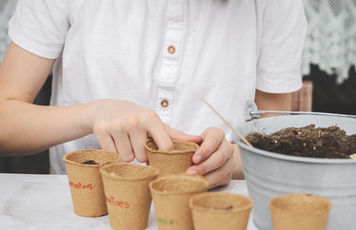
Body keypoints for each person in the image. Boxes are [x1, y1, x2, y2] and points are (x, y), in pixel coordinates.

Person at [0, 0, 307, 188]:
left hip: (213, 212)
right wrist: (92, 115)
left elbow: (275, 149)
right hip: (82, 208)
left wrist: (234, 161)